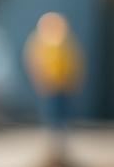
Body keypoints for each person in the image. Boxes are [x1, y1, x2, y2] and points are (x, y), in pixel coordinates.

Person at [23, 12, 84, 156]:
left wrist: (75, 81)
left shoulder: (66, 40)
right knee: (52, 114)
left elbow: (76, 62)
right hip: (50, 84)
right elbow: (33, 61)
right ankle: (53, 143)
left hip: (64, 84)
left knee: (63, 114)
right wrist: (40, 80)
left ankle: (61, 144)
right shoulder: (41, 40)